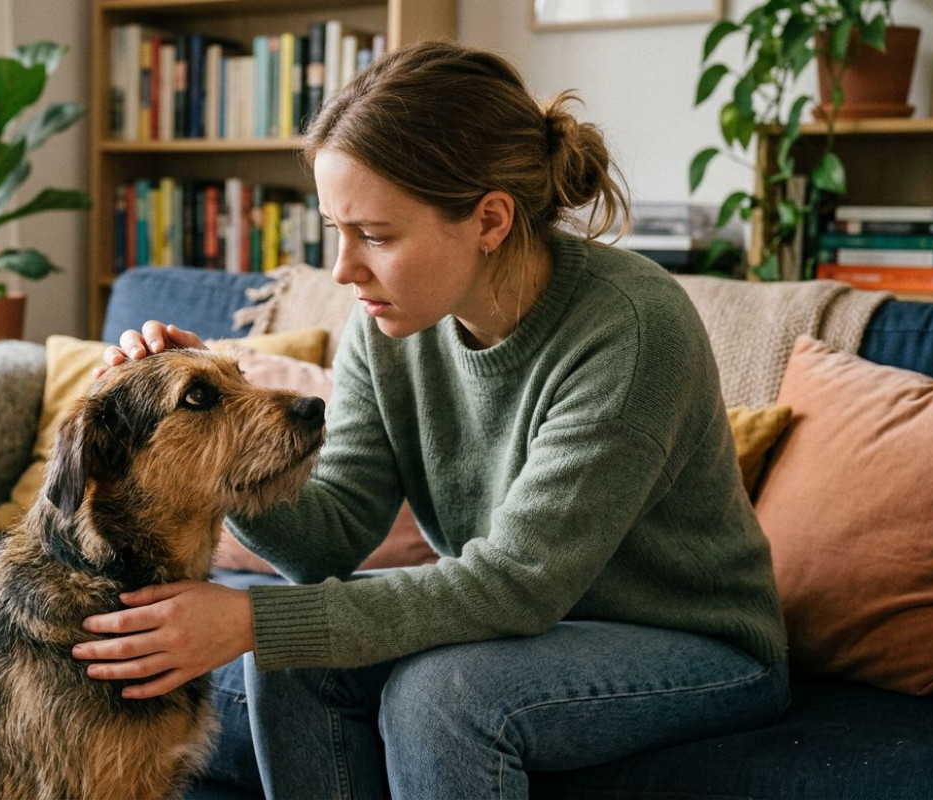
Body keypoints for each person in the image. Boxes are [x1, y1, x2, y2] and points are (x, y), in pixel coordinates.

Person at [71, 40, 789, 798]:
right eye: (335, 231)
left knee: (440, 694)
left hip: (698, 644)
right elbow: (330, 534)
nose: (344, 270)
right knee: (295, 659)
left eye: (375, 236)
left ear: (489, 219)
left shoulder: (633, 331)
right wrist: (215, 440)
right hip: (534, 626)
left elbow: (517, 585)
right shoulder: (388, 327)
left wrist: (253, 621)